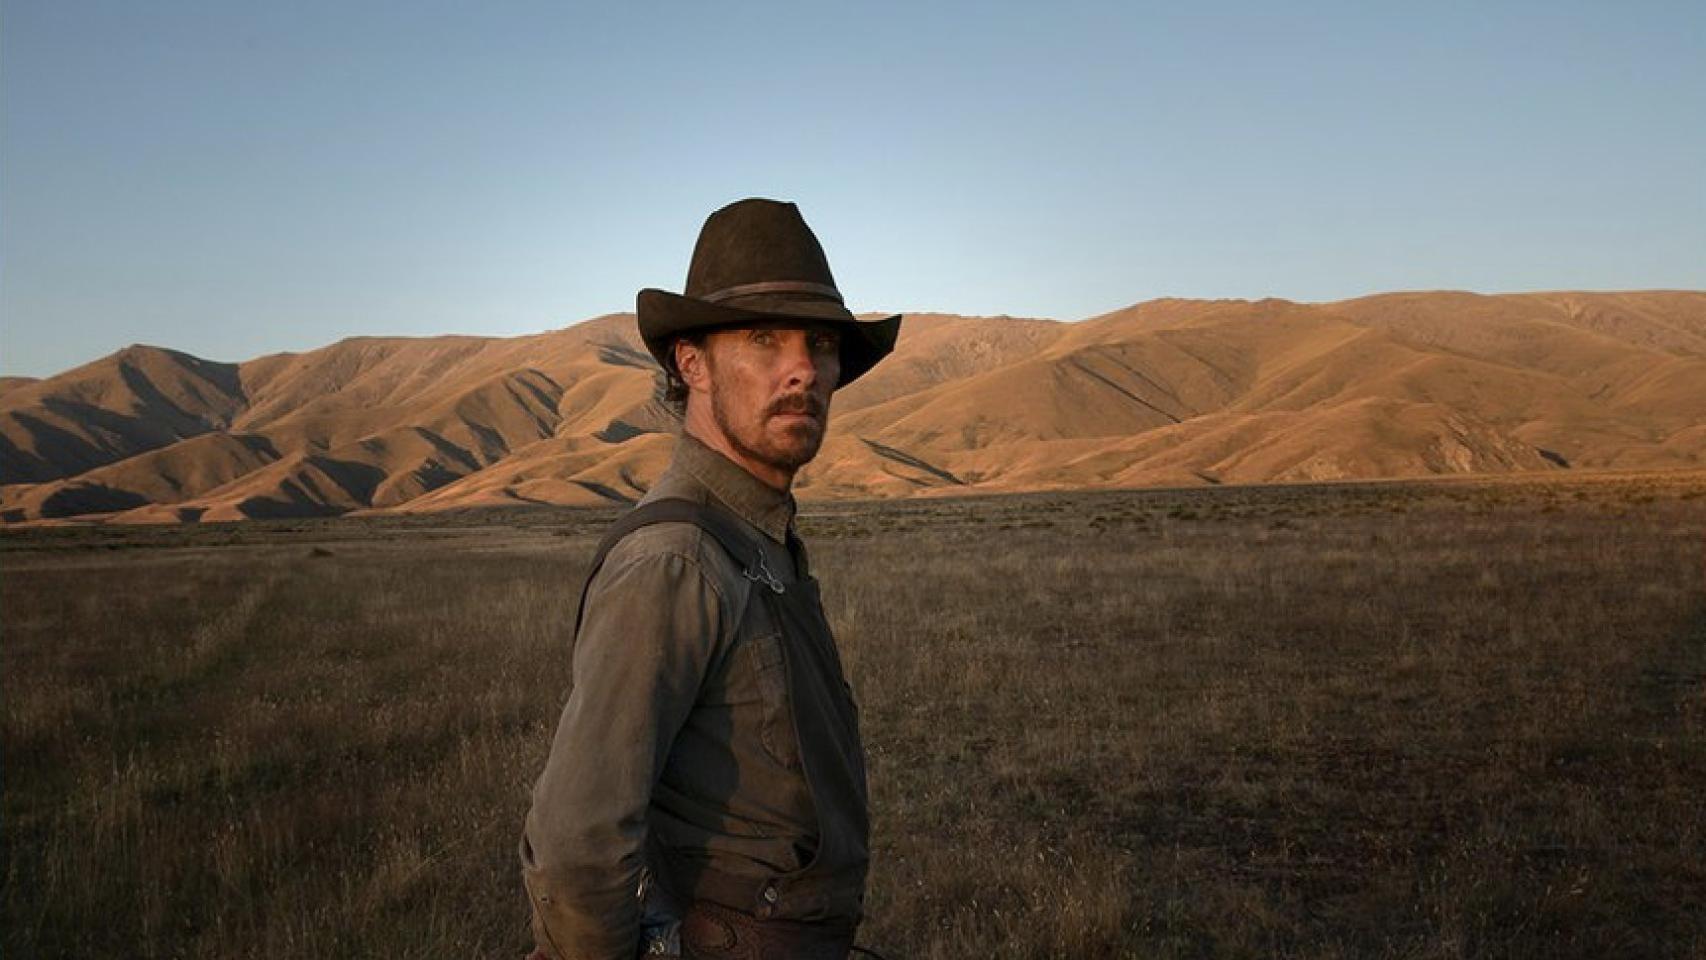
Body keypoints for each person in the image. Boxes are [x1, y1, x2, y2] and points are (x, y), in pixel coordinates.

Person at [520, 198, 902, 960]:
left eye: (820, 342)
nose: (802, 367)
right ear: (689, 363)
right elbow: (576, 845)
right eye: (764, 339)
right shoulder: (675, 560)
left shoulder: (758, 539)